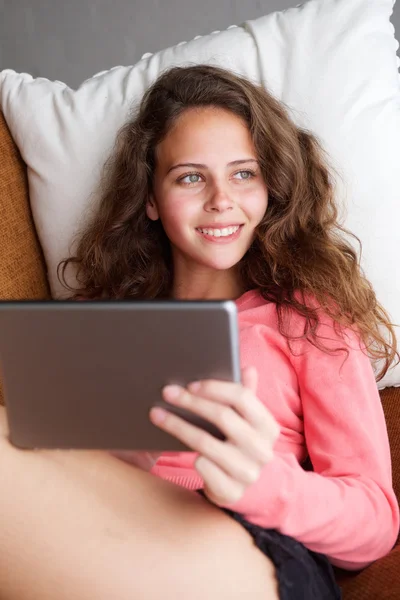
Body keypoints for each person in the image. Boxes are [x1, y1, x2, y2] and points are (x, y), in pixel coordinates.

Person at [0, 65, 399, 600]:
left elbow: (375, 522)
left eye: (243, 174)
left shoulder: (309, 320)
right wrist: (118, 457)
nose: (220, 199)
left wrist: (263, 485)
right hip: (105, 527)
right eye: (190, 176)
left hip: (242, 540)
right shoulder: (98, 320)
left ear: (271, 186)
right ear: (150, 198)